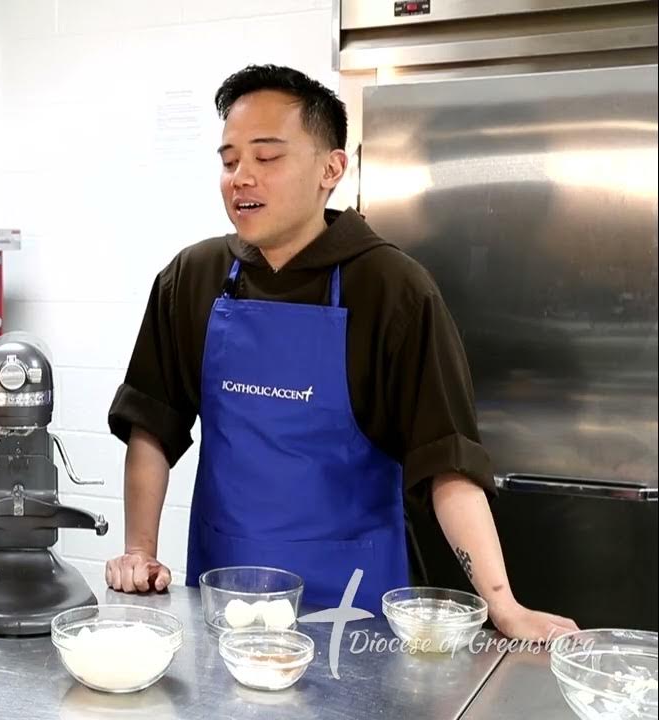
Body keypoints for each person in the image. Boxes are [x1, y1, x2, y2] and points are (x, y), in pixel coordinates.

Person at [103, 64, 577, 642]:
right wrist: (139, 551)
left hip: (354, 603)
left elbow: (447, 457)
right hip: (225, 593)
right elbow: (153, 421)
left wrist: (502, 603)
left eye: (266, 157)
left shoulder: (392, 288)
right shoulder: (194, 277)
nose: (241, 177)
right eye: (229, 161)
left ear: (331, 168)